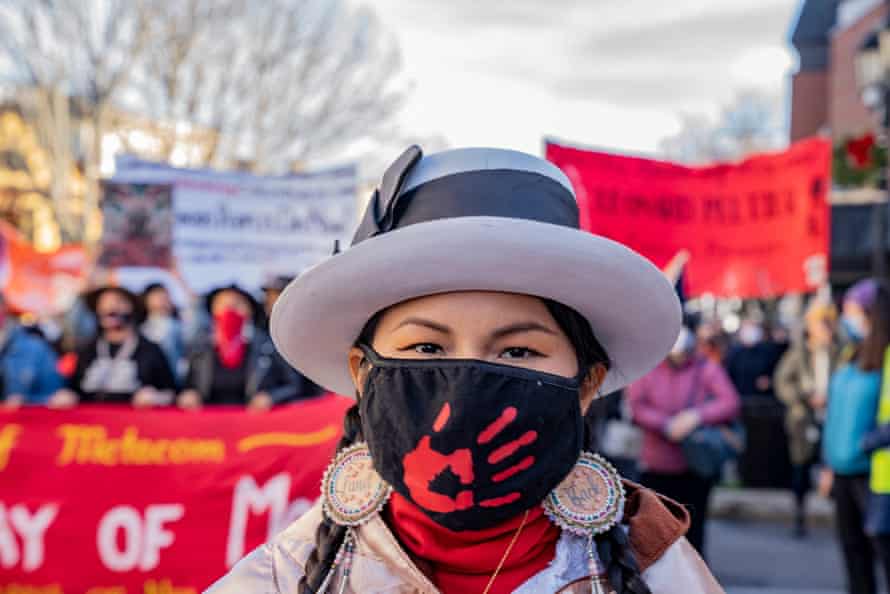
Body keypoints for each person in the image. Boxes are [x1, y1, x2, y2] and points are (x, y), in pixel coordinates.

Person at [209, 147, 725, 593]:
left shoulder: (661, 574)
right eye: (426, 347)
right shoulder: (283, 577)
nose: (465, 392)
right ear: (363, 373)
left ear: (586, 384)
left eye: (518, 352)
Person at [627, 326, 741, 556]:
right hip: (657, 464)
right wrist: (666, 424)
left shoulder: (705, 367)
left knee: (694, 531)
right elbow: (637, 407)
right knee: (655, 532)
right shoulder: (650, 369)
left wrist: (696, 416)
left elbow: (729, 401)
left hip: (694, 464)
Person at [823, 280, 890, 594]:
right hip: (842, 471)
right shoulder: (850, 354)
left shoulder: (886, 357)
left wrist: (864, 444)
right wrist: (829, 462)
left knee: (881, 553)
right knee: (853, 555)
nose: (847, 319)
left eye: (852, 312)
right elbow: (835, 412)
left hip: (873, 474)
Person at [774, 300, 842, 538]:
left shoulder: (838, 352)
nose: (825, 329)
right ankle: (799, 515)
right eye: (821, 324)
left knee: (833, 467)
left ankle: (839, 515)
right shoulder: (799, 353)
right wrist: (803, 397)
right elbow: (783, 382)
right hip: (803, 419)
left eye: (828, 324)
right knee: (801, 467)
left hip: (832, 418)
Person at [48, 286, 176, 407]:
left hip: (135, 421)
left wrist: (157, 397)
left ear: (132, 308)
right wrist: (66, 396)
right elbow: (72, 389)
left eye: (118, 302)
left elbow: (172, 393)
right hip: (90, 420)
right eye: (103, 304)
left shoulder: (150, 350)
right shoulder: (86, 350)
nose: (109, 307)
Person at [177, 285, 301, 410]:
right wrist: (189, 395)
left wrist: (271, 397)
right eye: (222, 303)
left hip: (255, 418)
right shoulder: (199, 348)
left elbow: (292, 385)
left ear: (250, 310)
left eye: (237, 303)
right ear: (213, 309)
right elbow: (183, 385)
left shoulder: (267, 345)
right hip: (208, 416)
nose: (230, 309)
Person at [0, 296, 63, 407]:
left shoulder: (35, 348)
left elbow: (56, 398)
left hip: (20, 417)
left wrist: (25, 401)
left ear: (4, 308)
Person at [725, 318, 783, 398]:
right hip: (741, 398)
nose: (750, 332)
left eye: (753, 327)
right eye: (747, 328)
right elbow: (728, 376)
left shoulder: (769, 351)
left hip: (763, 399)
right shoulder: (734, 353)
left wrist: (770, 381)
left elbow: (778, 372)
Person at [140, 282, 186, 382]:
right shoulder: (141, 329)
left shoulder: (179, 326)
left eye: (166, 296)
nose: (163, 300)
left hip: (175, 380)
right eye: (158, 296)